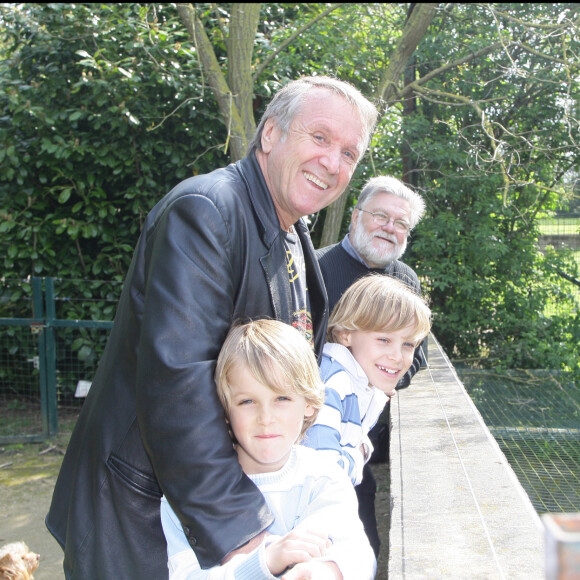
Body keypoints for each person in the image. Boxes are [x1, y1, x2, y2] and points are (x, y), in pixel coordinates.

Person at [45, 76, 379, 579]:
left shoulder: (290, 231)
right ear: (270, 135)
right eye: (320, 138)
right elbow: (177, 385)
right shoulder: (207, 211)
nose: (333, 162)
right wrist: (246, 535)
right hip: (145, 520)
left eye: (349, 153)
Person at [161, 319, 376, 580]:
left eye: (282, 398)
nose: (265, 418)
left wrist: (324, 571)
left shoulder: (324, 477)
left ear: (309, 402)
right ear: (225, 409)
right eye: (247, 401)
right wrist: (265, 562)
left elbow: (356, 555)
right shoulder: (189, 493)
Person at [315, 175, 427, 555]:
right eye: (380, 215)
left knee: (365, 546)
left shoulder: (404, 279)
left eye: (401, 223)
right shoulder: (316, 268)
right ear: (355, 216)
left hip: (363, 439)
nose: (389, 228)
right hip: (318, 429)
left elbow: (414, 359)